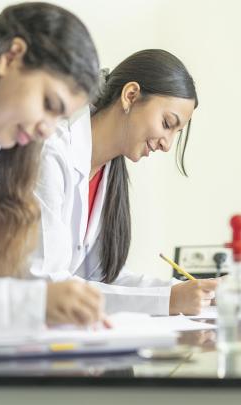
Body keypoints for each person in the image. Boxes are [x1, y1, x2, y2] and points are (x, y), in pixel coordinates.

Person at [0, 2, 105, 335]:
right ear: (10, 56)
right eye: (49, 105)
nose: (47, 129)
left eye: (59, 118)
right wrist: (33, 303)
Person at [29, 49, 216, 315]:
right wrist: (167, 300)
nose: (167, 144)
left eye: (176, 132)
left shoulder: (108, 171)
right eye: (166, 123)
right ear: (130, 96)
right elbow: (46, 284)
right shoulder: (50, 153)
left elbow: (103, 278)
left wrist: (187, 293)